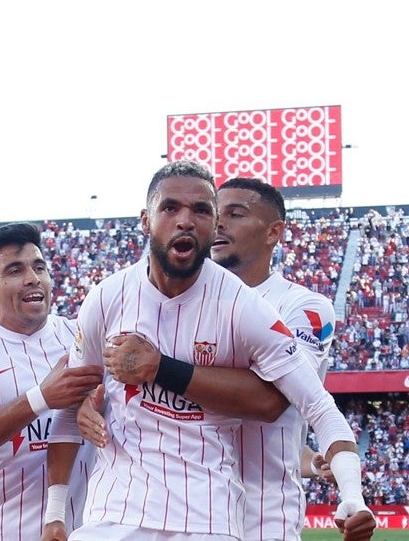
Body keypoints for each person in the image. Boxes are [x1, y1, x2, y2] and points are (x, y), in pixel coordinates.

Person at [46, 161, 375, 541]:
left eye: (207, 211)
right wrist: (89, 397)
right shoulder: (108, 295)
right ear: (145, 220)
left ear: (273, 232)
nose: (190, 221)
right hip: (118, 510)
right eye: (171, 208)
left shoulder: (267, 308)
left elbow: (280, 402)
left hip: (250, 507)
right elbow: (74, 390)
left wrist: (352, 493)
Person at [0, 222, 104, 540]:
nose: (32, 278)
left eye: (39, 267)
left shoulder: (80, 335)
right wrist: (41, 397)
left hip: (81, 531)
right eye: (15, 270)